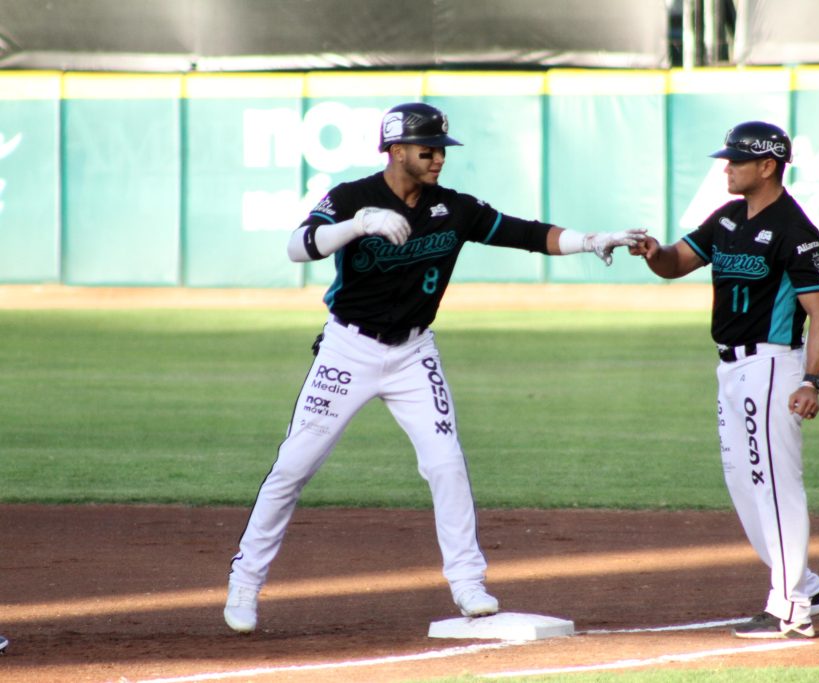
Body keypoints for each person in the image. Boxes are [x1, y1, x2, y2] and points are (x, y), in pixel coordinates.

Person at [223, 101, 646, 633]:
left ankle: (468, 583)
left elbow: (526, 233)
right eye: (428, 150)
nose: (439, 158)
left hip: (413, 353)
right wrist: (357, 225)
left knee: (446, 463)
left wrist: (591, 241)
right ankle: (245, 583)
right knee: (293, 466)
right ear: (396, 150)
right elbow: (297, 248)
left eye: (442, 149)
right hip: (348, 349)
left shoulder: (454, 208)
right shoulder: (352, 197)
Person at [630, 121, 819, 639]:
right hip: (730, 369)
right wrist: (654, 252)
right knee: (744, 483)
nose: (726, 167)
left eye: (736, 160)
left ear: (767, 166)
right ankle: (807, 586)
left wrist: (812, 381)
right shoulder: (727, 218)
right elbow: (677, 262)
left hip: (772, 367)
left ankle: (790, 607)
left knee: (774, 485)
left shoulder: (795, 231)